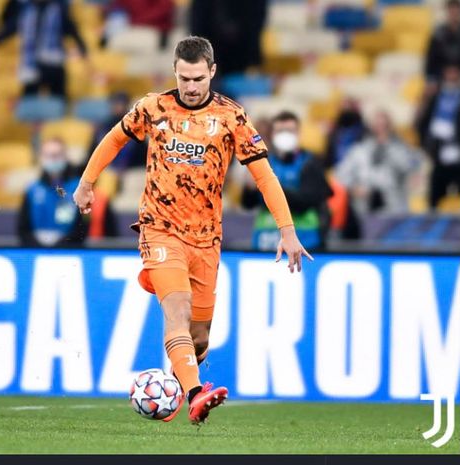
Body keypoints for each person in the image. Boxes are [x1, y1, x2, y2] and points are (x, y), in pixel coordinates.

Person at [72, 36, 311, 425]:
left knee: (198, 337)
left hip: (206, 239)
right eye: (184, 78)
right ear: (175, 72)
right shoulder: (154, 107)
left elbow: (264, 176)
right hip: (160, 229)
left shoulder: (232, 117)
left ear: (212, 72)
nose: (191, 86)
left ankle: (185, 384)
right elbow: (114, 138)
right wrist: (86, 182)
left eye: (198, 78)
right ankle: (196, 393)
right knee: (177, 310)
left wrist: (287, 230)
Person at [241, 111, 333, 252]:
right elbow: (247, 204)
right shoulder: (263, 161)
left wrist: (268, 185)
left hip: (305, 241)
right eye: (280, 131)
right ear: (273, 134)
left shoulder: (310, 162)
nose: (285, 135)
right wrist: (249, 189)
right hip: (265, 240)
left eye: (289, 131)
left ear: (298, 134)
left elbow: (306, 201)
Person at [0, 0, 88, 97]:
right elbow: (8, 30)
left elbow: (72, 29)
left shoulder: (58, 10)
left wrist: (82, 46)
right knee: (29, 98)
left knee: (58, 98)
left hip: (53, 63)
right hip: (31, 64)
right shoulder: (25, 12)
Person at [335, 110, 423, 218]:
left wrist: (414, 175)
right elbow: (341, 174)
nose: (381, 130)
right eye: (378, 126)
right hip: (365, 209)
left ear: (390, 127)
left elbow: (416, 166)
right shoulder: (360, 150)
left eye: (385, 126)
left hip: (393, 208)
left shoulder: (401, 149)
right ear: (372, 127)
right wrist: (353, 188)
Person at [18, 137, 87, 247]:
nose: (53, 159)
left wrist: (62, 244)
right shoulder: (32, 190)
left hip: (69, 251)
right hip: (36, 251)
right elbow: (23, 229)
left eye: (57, 155)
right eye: (49, 155)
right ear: (41, 158)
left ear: (65, 157)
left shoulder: (78, 189)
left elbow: (83, 228)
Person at [416, 63, 460, 209]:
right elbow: (422, 123)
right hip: (439, 153)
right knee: (434, 198)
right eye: (449, 73)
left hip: (459, 153)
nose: (451, 77)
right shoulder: (435, 97)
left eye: (455, 73)